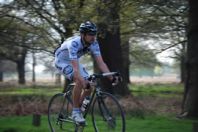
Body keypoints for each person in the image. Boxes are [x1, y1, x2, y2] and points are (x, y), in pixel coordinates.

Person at [54, 21, 119, 124]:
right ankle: (75, 113)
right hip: (62, 62)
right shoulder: (74, 43)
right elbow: (76, 70)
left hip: (73, 61)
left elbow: (101, 63)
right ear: (83, 35)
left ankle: (78, 106)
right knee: (80, 81)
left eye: (94, 34)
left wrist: (111, 77)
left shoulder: (94, 43)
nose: (93, 37)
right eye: (90, 34)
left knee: (89, 86)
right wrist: (81, 80)